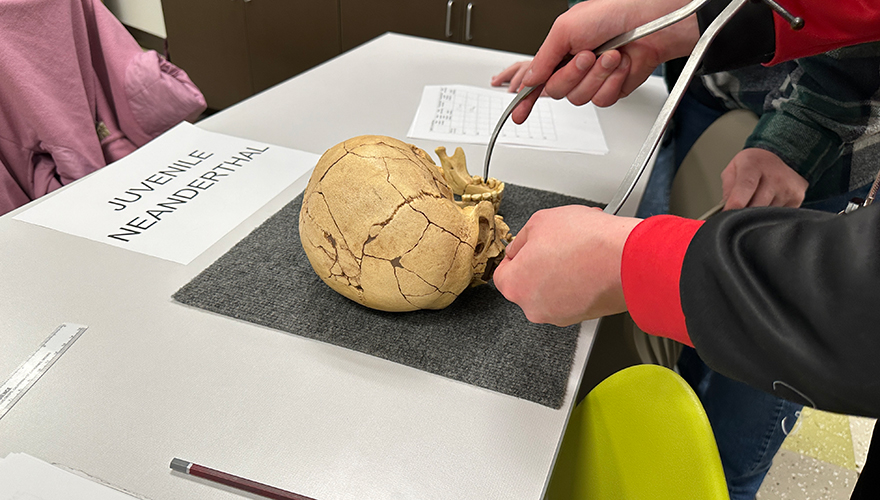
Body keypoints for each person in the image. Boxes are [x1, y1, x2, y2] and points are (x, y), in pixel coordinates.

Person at [489, 0, 880, 497]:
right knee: (687, 362)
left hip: (821, 201)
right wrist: (668, 24)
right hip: (704, 92)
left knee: (731, 440)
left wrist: (633, 262)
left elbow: (851, 305)